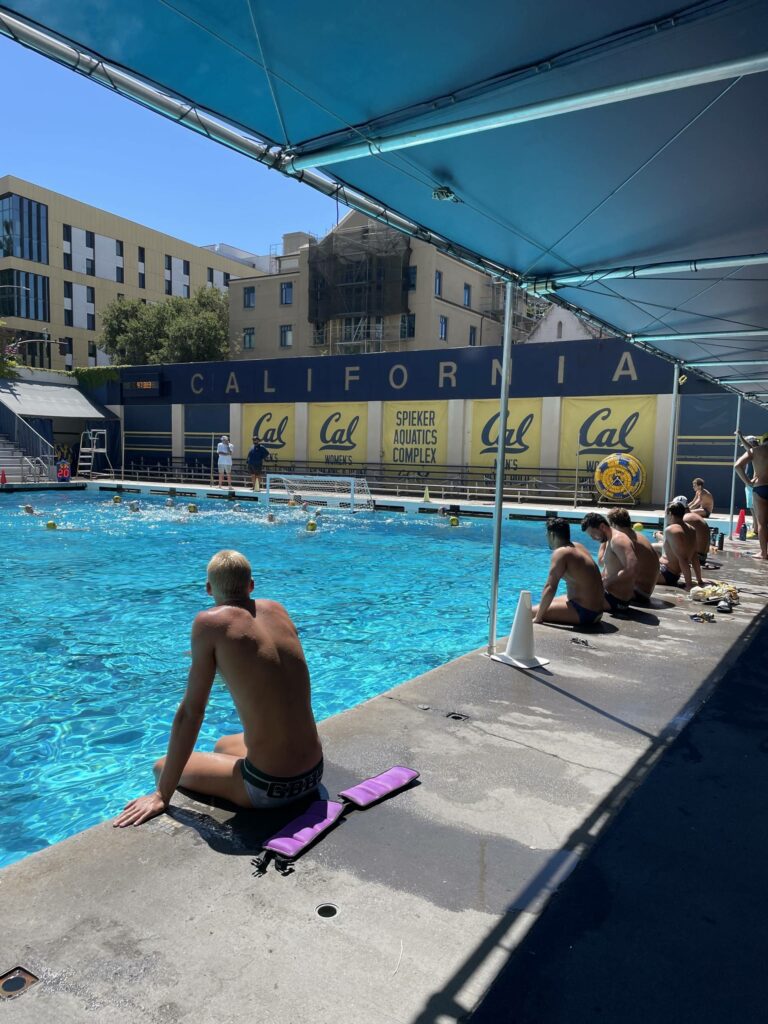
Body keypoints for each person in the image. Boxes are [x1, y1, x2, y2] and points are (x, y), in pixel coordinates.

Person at [114, 550, 323, 827]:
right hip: (313, 773)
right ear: (251, 585)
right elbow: (265, 661)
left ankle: (174, 788)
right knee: (223, 745)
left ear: (209, 588)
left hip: (268, 789)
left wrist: (162, 794)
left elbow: (191, 713)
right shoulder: (277, 610)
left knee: (160, 766)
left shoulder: (209, 622)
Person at [532, 517, 604, 627]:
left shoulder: (561, 553)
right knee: (543, 603)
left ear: (552, 535)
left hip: (585, 613)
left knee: (529, 612)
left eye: (547, 534)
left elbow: (550, 587)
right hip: (597, 611)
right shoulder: (578, 546)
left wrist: (538, 617)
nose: (546, 537)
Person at [581, 511, 638, 613]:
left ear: (602, 526)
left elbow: (632, 569)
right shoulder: (610, 539)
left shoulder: (618, 540)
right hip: (609, 595)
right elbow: (606, 564)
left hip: (617, 601)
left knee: (576, 602)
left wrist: (606, 582)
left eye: (593, 534)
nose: (593, 538)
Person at [606, 507, 660, 602]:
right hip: (646, 590)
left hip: (638, 592)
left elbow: (627, 569)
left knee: (594, 590)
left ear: (613, 524)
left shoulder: (623, 540)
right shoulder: (637, 535)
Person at [735, 432, 768, 560]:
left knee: (762, 523)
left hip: (760, 487)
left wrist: (748, 482)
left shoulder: (755, 451)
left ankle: (763, 553)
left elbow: (737, 466)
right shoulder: (754, 449)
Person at [657, 501, 704, 590]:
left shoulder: (671, 530)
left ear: (670, 514)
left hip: (666, 573)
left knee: (635, 571)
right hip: (671, 573)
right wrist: (699, 580)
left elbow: (683, 559)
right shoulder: (692, 529)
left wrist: (689, 585)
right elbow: (694, 556)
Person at [672, 495, 711, 567]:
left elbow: (677, 540)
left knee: (656, 547)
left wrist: (658, 535)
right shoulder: (694, 516)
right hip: (703, 556)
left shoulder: (685, 518)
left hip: (694, 558)